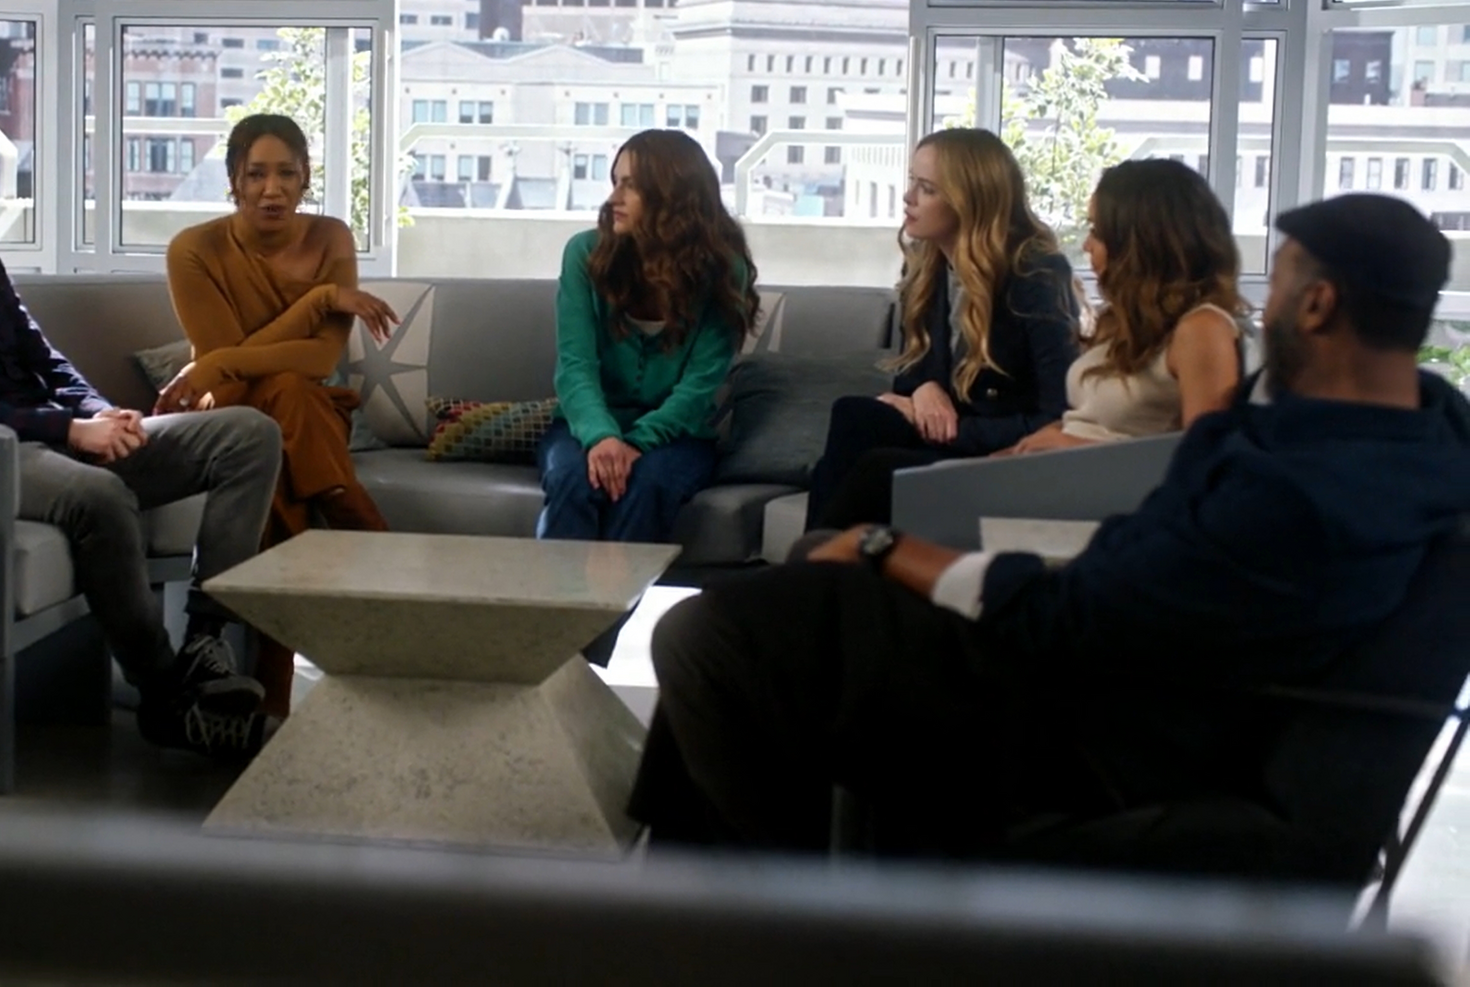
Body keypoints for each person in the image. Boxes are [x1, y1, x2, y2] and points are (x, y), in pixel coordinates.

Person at [629, 193, 1470, 856]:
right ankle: (708, 887)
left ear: (1318, 304)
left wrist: (888, 546)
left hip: (1080, 720)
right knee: (789, 593)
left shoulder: (1301, 490)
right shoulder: (1420, 435)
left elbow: (1074, 620)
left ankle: (804, 918)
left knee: (714, 634)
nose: (1264, 304)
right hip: (1121, 674)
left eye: (1278, 284)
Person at [0, 108, 282, 760]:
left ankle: (206, 640)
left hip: (59, 433)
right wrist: (67, 428)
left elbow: (44, 358)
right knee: (99, 495)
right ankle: (166, 697)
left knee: (249, 434)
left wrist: (99, 414)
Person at [162, 114, 398, 716]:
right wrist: (319, 301)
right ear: (233, 182)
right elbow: (230, 372)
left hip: (305, 410)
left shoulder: (331, 237)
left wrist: (220, 363)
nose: (272, 189)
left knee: (290, 398)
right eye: (256, 175)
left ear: (305, 178)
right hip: (230, 414)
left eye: (287, 174)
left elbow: (318, 360)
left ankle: (273, 679)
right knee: (275, 414)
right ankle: (363, 530)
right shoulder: (193, 250)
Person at [540, 128, 761, 666]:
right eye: (614, 181)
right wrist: (602, 437)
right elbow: (574, 366)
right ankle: (550, 647)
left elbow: (701, 384)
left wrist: (637, 442)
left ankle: (576, 660)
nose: (613, 197)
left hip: (676, 436)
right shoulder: (584, 254)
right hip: (587, 425)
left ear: (673, 196)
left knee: (649, 485)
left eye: (631, 186)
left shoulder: (723, 269)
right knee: (572, 480)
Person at [805, 128, 1081, 529]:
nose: (908, 197)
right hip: (947, 440)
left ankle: (821, 558)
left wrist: (952, 430)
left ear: (969, 201)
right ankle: (822, 558)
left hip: (999, 452)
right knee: (854, 415)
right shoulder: (927, 263)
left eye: (927, 189)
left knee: (874, 466)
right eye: (912, 182)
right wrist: (923, 388)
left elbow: (1057, 416)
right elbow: (910, 372)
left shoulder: (1034, 275)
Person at [999, 159, 1245, 455]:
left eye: (1097, 231)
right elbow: (1092, 422)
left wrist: (1074, 448)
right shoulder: (1123, 322)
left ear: (1140, 243)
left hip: (1107, 481)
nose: (1086, 246)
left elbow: (1205, 459)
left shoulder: (1202, 328)